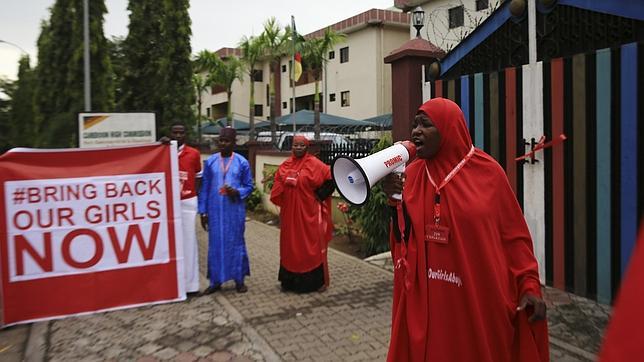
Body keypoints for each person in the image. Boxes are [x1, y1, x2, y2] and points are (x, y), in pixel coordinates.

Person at [382, 97, 549, 362]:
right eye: (415, 124)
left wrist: (529, 284)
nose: (416, 131)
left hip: (477, 298)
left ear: (450, 128)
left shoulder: (489, 173)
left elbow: (514, 238)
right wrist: (395, 203)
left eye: (425, 124)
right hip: (428, 303)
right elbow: (403, 241)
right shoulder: (412, 175)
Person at [270, 135, 335, 293]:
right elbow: (277, 185)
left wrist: (320, 195)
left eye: (301, 145)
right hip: (290, 216)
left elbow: (331, 178)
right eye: (295, 145)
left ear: (307, 147)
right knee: (289, 246)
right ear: (291, 147)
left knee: (310, 247)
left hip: (308, 215)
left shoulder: (314, 164)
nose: (298, 148)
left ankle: (315, 282)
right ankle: (288, 282)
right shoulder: (286, 165)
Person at [198, 127, 254, 293]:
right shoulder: (210, 162)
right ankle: (215, 281)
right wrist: (203, 211)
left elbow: (249, 186)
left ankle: (239, 280)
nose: (223, 143)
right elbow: (205, 188)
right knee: (215, 245)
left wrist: (237, 191)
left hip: (234, 211)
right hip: (215, 213)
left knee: (236, 243)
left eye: (227, 140)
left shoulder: (242, 162)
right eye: (221, 140)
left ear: (234, 142)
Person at [170, 122, 202, 296]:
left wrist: (193, 193)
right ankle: (173, 283)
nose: (178, 135)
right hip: (168, 204)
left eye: (181, 132)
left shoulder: (194, 153)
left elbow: (198, 177)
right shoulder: (164, 152)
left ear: (185, 134)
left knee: (189, 243)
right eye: (175, 132)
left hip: (188, 201)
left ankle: (191, 285)